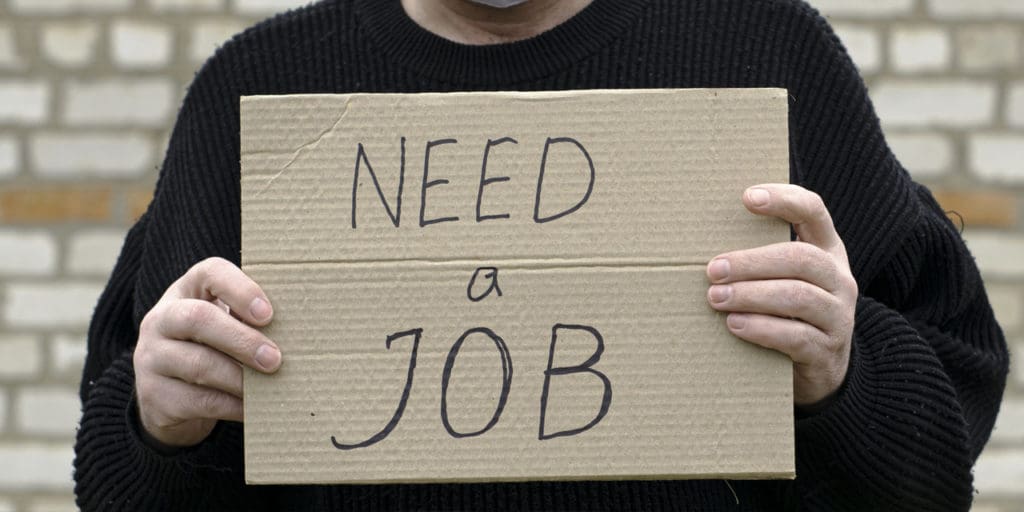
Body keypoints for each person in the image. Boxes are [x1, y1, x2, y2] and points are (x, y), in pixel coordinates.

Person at [73, 0, 1009, 510]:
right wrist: (156, 425)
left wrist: (846, 375)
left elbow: (933, 464)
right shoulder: (256, 89)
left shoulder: (769, 50)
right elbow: (120, 469)